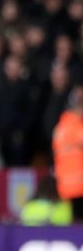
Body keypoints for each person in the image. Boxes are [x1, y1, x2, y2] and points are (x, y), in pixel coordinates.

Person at [52, 84, 83, 223]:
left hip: (64, 184)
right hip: (79, 184)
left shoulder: (60, 127)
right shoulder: (77, 126)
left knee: (72, 223)